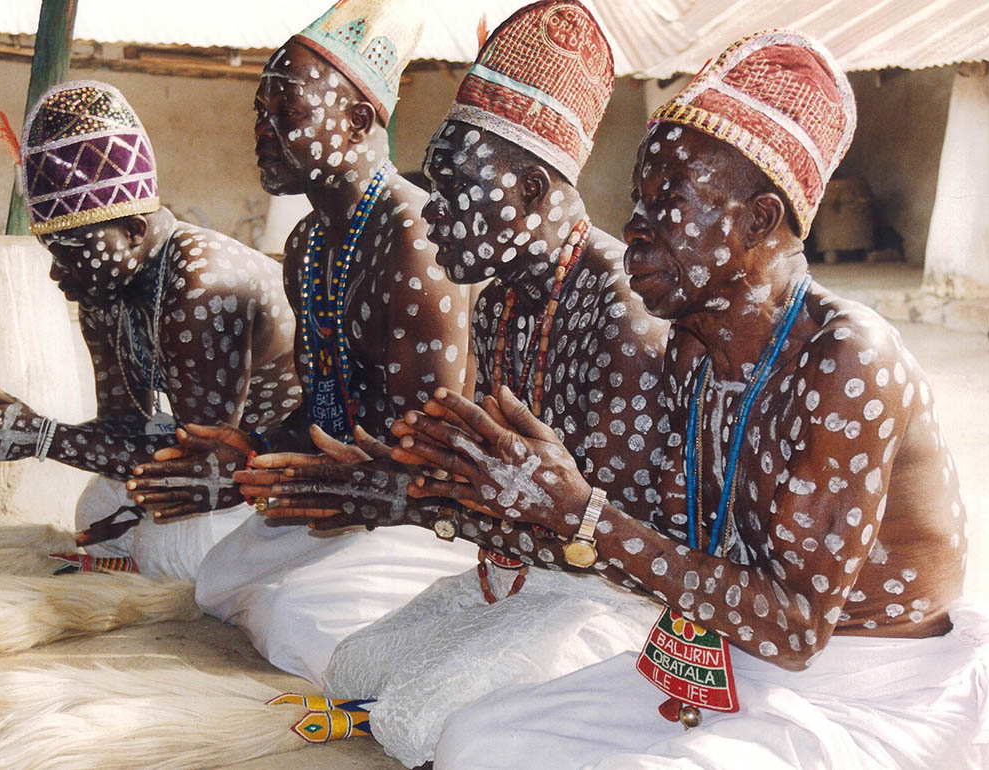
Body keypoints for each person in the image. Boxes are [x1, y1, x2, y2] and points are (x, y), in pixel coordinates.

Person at [381, 30, 989, 770]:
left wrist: (580, 511)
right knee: (475, 740)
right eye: (636, 205)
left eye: (666, 205)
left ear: (759, 221)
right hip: (723, 659)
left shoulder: (849, 359)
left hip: (873, 691)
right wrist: (482, 498)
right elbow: (669, 544)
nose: (634, 233)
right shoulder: (693, 342)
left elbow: (792, 630)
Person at [234, 3, 670, 765]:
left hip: (611, 600)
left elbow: (606, 549)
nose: (434, 213)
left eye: (453, 188)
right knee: (354, 669)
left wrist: (407, 502)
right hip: (518, 575)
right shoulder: (502, 299)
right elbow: (481, 486)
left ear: (534, 191)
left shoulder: (621, 310)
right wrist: (394, 488)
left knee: (430, 720)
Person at [125, 0, 479, 686]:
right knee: (212, 571)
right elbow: (325, 411)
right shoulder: (309, 245)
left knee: (298, 617)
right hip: (348, 494)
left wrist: (284, 476)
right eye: (259, 111)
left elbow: (430, 457)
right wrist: (250, 451)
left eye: (283, 110)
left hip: (428, 512)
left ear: (355, 119)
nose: (261, 130)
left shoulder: (414, 237)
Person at [0, 80, 300, 579]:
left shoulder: (201, 280)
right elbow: (122, 427)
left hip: (263, 471)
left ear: (135, 232)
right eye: (54, 255)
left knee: (177, 548)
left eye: (72, 254)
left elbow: (201, 463)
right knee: (98, 506)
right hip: (206, 468)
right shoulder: (107, 282)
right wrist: (29, 428)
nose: (59, 274)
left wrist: (39, 437)